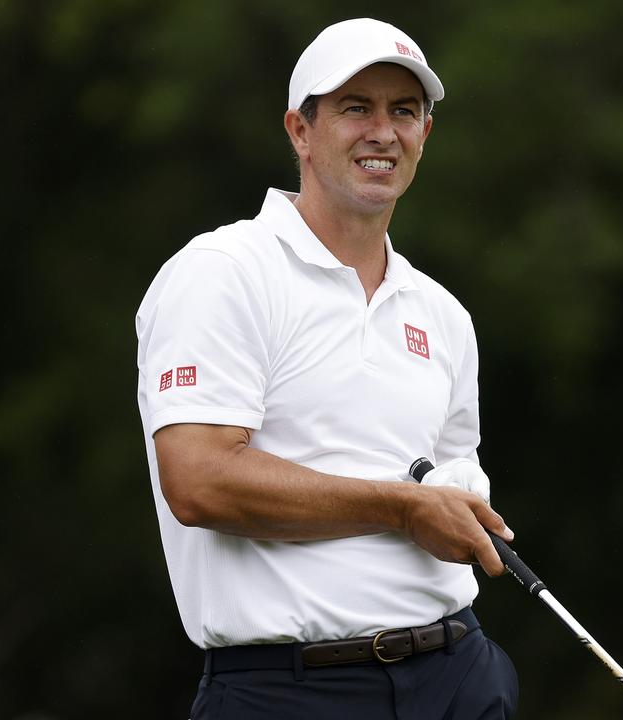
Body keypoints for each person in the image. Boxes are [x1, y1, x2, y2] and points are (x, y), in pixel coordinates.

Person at [134, 18, 518, 720]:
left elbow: (454, 489)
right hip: (289, 689)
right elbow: (198, 481)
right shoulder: (221, 274)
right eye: (354, 108)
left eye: (404, 111)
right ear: (299, 131)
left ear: (425, 135)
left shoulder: (443, 315)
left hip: (458, 674)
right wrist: (402, 507)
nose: (383, 131)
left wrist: (452, 510)